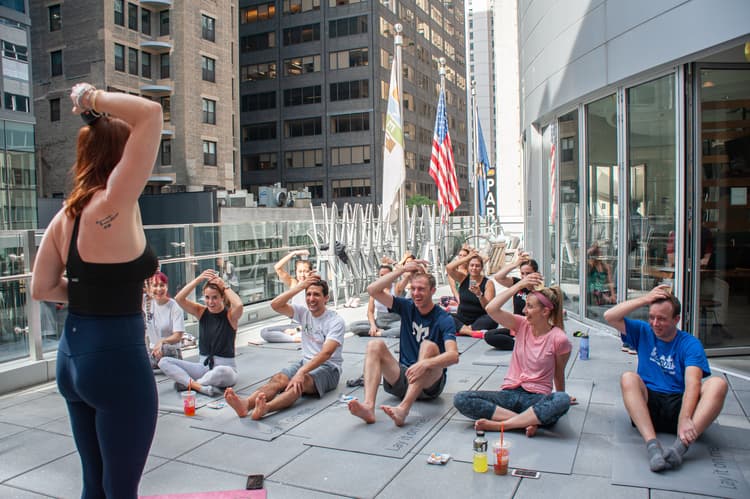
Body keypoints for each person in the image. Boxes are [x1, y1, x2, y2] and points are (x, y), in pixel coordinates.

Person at [30, 83, 162, 496]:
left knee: (95, 483)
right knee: (121, 489)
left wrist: (92, 294)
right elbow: (152, 114)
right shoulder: (113, 205)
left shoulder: (66, 215)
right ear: (122, 156)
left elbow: (41, 287)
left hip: (72, 359)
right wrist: (91, 98)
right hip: (116, 361)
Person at [603, 285, 728, 472]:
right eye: (651, 317)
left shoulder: (690, 343)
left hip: (680, 405)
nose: (655, 323)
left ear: (676, 320)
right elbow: (609, 316)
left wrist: (685, 418)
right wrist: (646, 299)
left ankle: (679, 448)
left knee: (718, 384)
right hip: (649, 405)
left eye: (661, 319)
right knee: (628, 377)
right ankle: (652, 445)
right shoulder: (643, 331)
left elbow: (693, 383)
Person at [453, 273, 574, 437]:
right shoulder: (521, 324)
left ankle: (503, 425)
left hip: (536, 399)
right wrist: (518, 285)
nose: (524, 310)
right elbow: (491, 309)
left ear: (545, 311)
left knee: (562, 400)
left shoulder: (559, 339)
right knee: (461, 398)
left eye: (530, 306)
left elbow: (558, 374)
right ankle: (524, 423)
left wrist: (561, 395)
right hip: (509, 395)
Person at [348, 260, 459, 427]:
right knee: (374, 345)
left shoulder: (444, 318)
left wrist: (425, 364)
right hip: (404, 377)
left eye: (421, 289)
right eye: (413, 289)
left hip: (430, 384)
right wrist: (401, 270)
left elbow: (453, 355)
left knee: (428, 346)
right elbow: (372, 290)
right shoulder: (407, 306)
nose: (416, 293)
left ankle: (403, 409)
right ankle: (369, 407)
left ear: (433, 291)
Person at [224, 274, 345, 419]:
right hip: (305, 362)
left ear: (326, 298)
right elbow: (275, 305)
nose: (311, 299)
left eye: (317, 295)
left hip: (329, 368)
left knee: (300, 383)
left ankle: (266, 408)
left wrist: (300, 373)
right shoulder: (304, 313)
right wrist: (300, 286)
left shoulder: (335, 321)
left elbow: (326, 353)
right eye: (309, 294)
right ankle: (246, 404)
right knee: (279, 379)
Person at [161, 269, 243, 396]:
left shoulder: (230, 315)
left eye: (215, 297)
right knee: (164, 362)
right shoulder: (201, 312)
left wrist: (224, 286)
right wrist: (198, 279)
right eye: (207, 297)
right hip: (203, 367)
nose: (210, 302)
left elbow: (238, 305)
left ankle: (191, 384)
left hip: (226, 369)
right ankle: (200, 387)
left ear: (222, 297)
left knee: (220, 372)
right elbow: (179, 298)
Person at [482, 251, 539, 350]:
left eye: (528, 273)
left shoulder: (540, 288)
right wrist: (515, 264)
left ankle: (524, 342)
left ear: (535, 273)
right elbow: (498, 277)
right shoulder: (518, 283)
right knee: (489, 335)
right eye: (522, 273)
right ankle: (520, 343)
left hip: (531, 327)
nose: (525, 277)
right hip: (515, 325)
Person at [259, 249, 312, 342]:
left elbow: (315, 319)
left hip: (309, 326)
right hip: (294, 324)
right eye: (300, 271)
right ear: (296, 272)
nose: (302, 274)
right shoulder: (293, 283)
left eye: (306, 271)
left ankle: (298, 335)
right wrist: (294, 253)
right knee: (264, 331)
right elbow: (277, 267)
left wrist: (297, 330)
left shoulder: (314, 288)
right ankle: (295, 339)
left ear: (311, 272)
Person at [446, 249, 497, 336]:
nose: (474, 268)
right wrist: (467, 257)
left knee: (493, 319)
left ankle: (463, 329)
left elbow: (488, 308)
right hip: (462, 317)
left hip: (479, 318)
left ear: (481, 268)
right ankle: (470, 331)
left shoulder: (488, 283)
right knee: (443, 315)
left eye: (477, 266)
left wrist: (479, 294)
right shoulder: (463, 278)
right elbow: (449, 268)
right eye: (471, 265)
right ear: (468, 266)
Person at [143, 271, 185, 369]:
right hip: (153, 352)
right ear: (149, 288)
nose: (159, 289)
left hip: (170, 351)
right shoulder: (147, 303)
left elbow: (178, 336)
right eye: (155, 285)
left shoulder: (174, 307)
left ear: (167, 286)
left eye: (162, 285)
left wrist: (162, 342)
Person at [349, 264, 401, 338]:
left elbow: (406, 275)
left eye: (387, 275)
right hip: (379, 322)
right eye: (382, 275)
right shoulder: (375, 290)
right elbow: (370, 311)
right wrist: (373, 326)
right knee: (353, 326)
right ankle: (385, 332)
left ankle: (381, 333)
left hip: (395, 321)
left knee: (404, 328)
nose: (384, 278)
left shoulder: (397, 288)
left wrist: (393, 263)